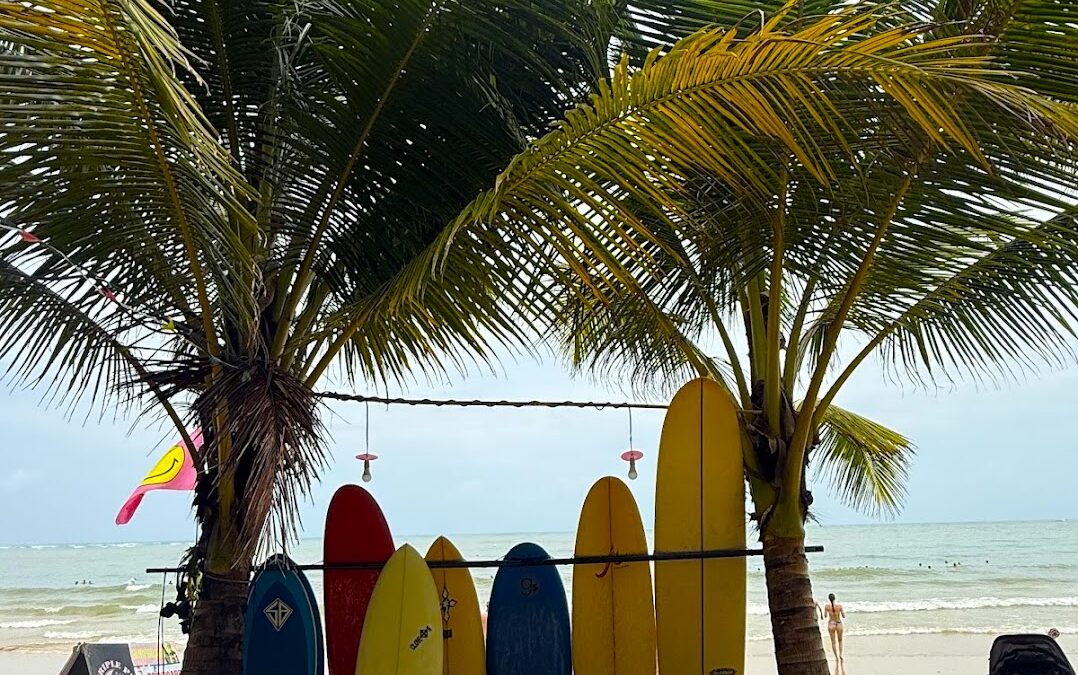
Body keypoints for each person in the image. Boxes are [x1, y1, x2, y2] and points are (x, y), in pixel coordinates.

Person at [818, 592, 846, 670]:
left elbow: (825, 616)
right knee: (840, 641)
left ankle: (836, 657)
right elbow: (843, 616)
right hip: (839, 623)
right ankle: (840, 654)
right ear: (835, 598)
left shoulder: (827, 606)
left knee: (833, 642)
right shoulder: (839, 606)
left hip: (831, 624)